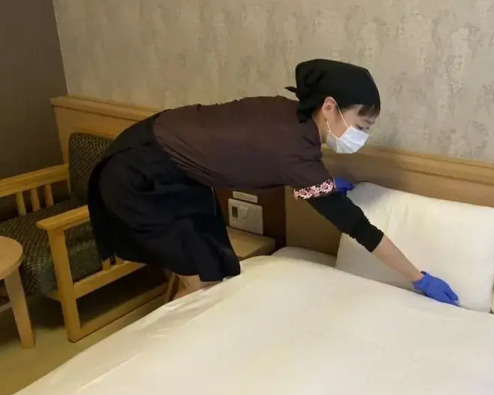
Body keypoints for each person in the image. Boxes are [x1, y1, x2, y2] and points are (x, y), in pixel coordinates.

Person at [88, 59, 459, 304]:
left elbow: (259, 154)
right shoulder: (294, 152)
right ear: (329, 107)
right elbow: (358, 227)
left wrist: (325, 184)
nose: (362, 135)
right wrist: (418, 277)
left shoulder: (290, 116)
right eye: (361, 125)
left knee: (213, 265)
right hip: (140, 172)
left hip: (168, 159)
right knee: (203, 287)